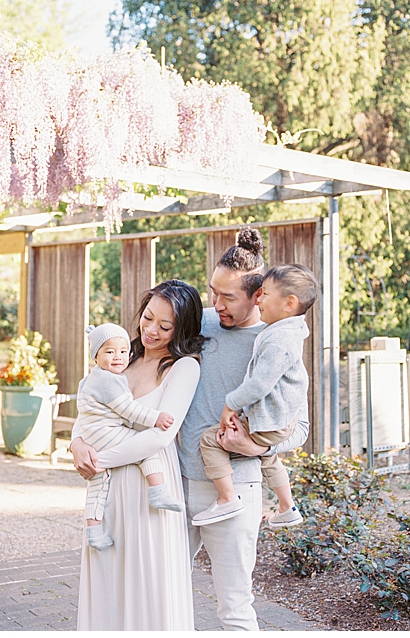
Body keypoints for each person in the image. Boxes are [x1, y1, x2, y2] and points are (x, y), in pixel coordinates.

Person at [72, 226, 310, 631]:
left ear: (258, 296)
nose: (214, 304)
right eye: (212, 292)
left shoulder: (275, 346)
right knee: (161, 595)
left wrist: (255, 447)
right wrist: (81, 438)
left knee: (234, 607)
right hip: (176, 486)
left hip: (235, 490)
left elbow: (299, 427)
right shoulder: (199, 326)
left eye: (226, 297)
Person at [71, 280, 206, 631]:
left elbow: (161, 436)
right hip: (110, 488)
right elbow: (88, 410)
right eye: (147, 318)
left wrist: (99, 459)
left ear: (182, 328)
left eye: (164, 326)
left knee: (150, 581)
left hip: (150, 488)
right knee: (107, 577)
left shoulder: (184, 367)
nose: (150, 330)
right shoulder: (117, 357)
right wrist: (77, 445)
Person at [194, 263, 318, 528]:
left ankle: (227, 497)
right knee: (269, 458)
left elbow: (259, 384)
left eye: (265, 294)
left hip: (274, 423)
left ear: (289, 303)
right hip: (278, 423)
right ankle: (287, 506)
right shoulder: (286, 331)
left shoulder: (279, 341)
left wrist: (231, 404)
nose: (259, 299)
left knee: (211, 440)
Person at [77, 323, 184, 552]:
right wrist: (155, 418)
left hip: (92, 434)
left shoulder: (94, 377)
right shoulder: (107, 380)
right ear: (95, 356)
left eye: (123, 351)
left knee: (97, 481)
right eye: (109, 351)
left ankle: (93, 530)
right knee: (146, 448)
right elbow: (128, 409)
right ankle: (158, 491)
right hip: (104, 431)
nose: (118, 357)